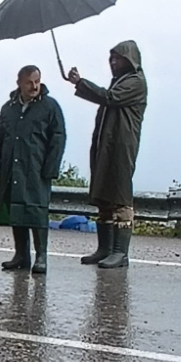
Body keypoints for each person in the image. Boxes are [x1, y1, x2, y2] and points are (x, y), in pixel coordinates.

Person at [67, 41, 148, 269]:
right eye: (111, 59)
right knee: (104, 195)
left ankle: (120, 253)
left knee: (120, 196)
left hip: (122, 146)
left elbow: (109, 98)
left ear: (129, 60)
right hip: (105, 146)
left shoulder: (135, 82)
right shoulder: (120, 82)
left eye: (117, 58)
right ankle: (104, 249)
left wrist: (80, 83)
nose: (113, 63)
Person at [0, 65, 67, 275]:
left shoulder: (50, 107)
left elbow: (58, 138)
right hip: (12, 167)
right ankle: (21, 255)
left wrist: (51, 168)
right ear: (19, 83)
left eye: (37, 82)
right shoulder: (9, 108)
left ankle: (41, 257)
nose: (34, 86)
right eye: (29, 82)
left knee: (37, 211)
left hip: (37, 169)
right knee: (17, 210)